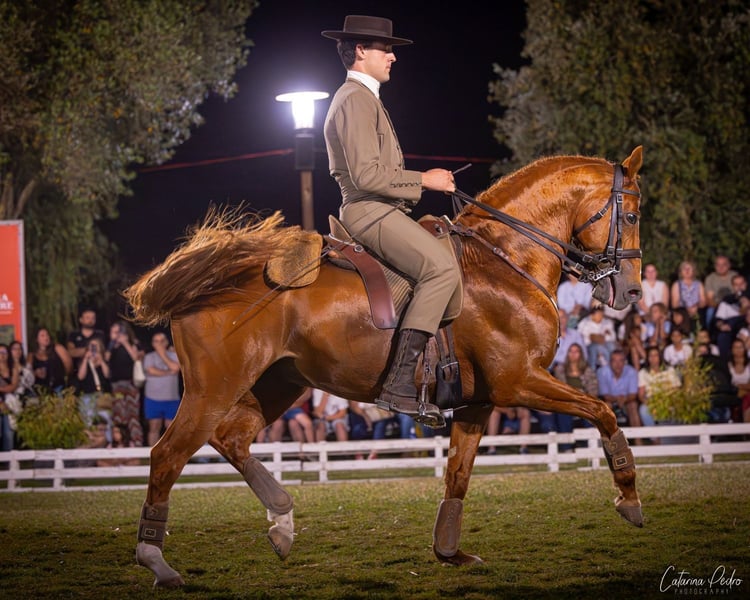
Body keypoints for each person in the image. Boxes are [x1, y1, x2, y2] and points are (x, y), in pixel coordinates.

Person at [322, 15, 460, 424]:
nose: (392, 56)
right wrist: (425, 180)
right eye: (385, 49)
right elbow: (367, 176)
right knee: (440, 269)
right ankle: (399, 385)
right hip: (368, 209)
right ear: (360, 51)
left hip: (384, 208)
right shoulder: (354, 99)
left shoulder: (366, 98)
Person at [550, 342, 599, 447]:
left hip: (584, 403)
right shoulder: (560, 370)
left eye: (576, 351)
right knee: (562, 413)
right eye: (571, 351)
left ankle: (589, 446)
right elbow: (558, 390)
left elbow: (593, 391)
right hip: (566, 402)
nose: (573, 354)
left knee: (590, 413)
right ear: (567, 353)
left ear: (581, 354)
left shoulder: (588, 371)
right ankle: (566, 446)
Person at [106, 321, 145, 447]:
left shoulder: (133, 344)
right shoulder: (111, 347)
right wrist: (112, 344)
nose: (116, 335)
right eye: (113, 332)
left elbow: (136, 358)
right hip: (117, 385)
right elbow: (106, 358)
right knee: (119, 415)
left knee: (132, 415)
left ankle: (136, 443)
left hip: (131, 384)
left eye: (118, 332)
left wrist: (125, 343)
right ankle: (120, 443)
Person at [143, 332, 181, 446]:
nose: (159, 344)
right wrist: (169, 372)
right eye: (156, 341)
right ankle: (152, 452)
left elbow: (176, 368)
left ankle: (171, 452)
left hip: (171, 398)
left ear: (166, 342)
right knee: (154, 427)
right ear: (152, 344)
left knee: (171, 428)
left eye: (162, 341)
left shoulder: (174, 355)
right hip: (153, 398)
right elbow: (151, 370)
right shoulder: (149, 357)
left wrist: (162, 353)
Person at [74, 337, 112, 435]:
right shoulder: (84, 361)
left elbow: (107, 375)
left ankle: (107, 439)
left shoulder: (104, 361)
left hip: (101, 396)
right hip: (87, 396)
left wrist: (101, 361)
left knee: (105, 420)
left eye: (96, 346)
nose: (93, 348)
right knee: (88, 421)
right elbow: (80, 377)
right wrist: (86, 359)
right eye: (91, 346)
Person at [597, 349, 642, 430]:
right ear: (610, 362)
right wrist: (619, 399)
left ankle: (637, 436)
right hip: (610, 401)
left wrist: (624, 399)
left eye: (620, 361)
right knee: (606, 406)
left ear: (624, 362)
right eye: (614, 361)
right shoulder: (602, 372)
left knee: (633, 405)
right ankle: (608, 437)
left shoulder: (631, 371)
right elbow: (605, 395)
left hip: (627, 401)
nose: (618, 364)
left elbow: (633, 395)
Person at [637, 346, 681, 429]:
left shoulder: (669, 370)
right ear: (648, 358)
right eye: (651, 355)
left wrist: (668, 400)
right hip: (652, 401)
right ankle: (653, 435)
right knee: (643, 409)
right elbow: (641, 395)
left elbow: (677, 389)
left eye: (656, 355)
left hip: (669, 399)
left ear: (660, 357)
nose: (653, 358)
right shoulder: (643, 373)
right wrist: (650, 403)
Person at [712, 274, 750, 360]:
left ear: (746, 284)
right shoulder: (727, 301)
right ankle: (725, 362)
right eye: (736, 284)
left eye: (741, 284)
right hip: (732, 330)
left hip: (746, 327)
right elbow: (718, 319)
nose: (739, 287)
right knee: (723, 335)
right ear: (733, 286)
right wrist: (721, 326)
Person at [28, 327, 73, 393]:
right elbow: (27, 373)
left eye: (47, 335)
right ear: (36, 339)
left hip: (59, 387)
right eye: (42, 336)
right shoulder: (32, 355)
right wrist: (35, 373)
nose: (46, 337)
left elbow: (69, 366)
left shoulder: (58, 348)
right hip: (41, 390)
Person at [704, 255, 738, 326]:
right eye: (718, 265)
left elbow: (739, 294)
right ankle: (709, 330)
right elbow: (709, 299)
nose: (721, 267)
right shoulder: (710, 278)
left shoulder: (735, 276)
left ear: (729, 265)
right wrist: (720, 307)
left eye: (724, 264)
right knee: (710, 311)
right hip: (716, 305)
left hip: (733, 304)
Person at [0, 343, 20, 450]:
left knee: (8, 434)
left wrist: (2, 389)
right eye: (0, 353)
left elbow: (13, 386)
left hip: (10, 405)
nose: (2, 355)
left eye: (4, 352)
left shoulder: (13, 369)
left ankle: (8, 458)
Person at [727, 338, 750, 424]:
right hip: (734, 393)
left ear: (744, 349)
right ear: (732, 349)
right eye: (736, 347)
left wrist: (740, 386)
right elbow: (728, 384)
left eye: (740, 347)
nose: (738, 350)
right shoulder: (727, 365)